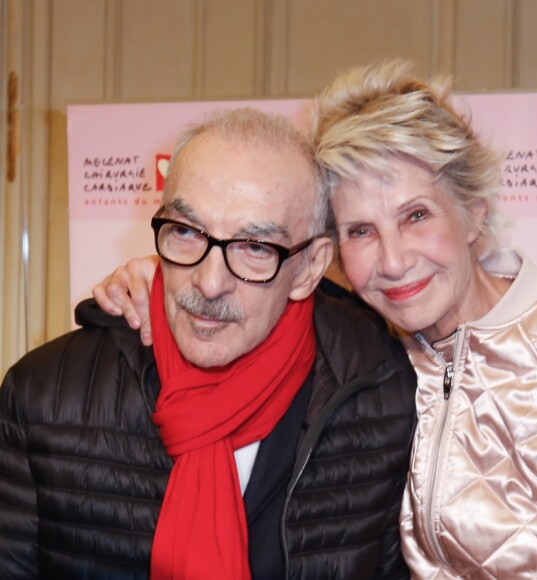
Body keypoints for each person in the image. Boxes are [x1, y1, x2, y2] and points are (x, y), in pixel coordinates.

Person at [97, 62, 537, 579]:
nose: (392, 261)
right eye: (360, 231)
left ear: (474, 211)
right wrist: (162, 272)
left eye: (416, 215)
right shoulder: (369, 347)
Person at [0, 107, 418, 579]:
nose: (209, 281)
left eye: (255, 247)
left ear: (309, 268)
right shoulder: (43, 395)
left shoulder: (380, 398)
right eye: (185, 232)